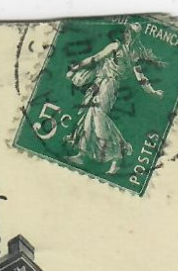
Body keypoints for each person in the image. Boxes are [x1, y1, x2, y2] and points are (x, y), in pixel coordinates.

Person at [64, 23, 165, 175]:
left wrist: (152, 92)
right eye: (126, 31)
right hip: (101, 83)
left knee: (97, 117)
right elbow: (96, 58)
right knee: (90, 115)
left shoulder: (130, 52)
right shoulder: (120, 47)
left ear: (135, 35)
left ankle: (117, 155)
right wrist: (78, 67)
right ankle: (83, 155)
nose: (126, 34)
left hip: (109, 86)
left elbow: (140, 77)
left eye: (130, 32)